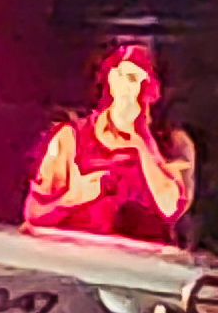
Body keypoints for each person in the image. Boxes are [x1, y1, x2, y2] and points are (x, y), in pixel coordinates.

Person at [25, 41, 194, 241]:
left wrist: (140, 144)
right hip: (78, 258)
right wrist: (76, 195)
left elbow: (170, 208)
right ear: (112, 80)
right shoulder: (70, 139)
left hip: (143, 263)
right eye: (129, 78)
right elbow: (34, 212)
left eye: (144, 83)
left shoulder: (173, 145)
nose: (135, 92)